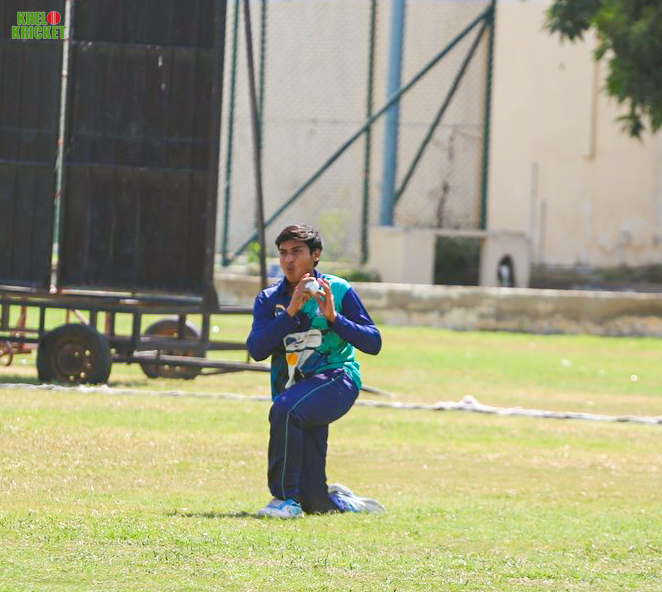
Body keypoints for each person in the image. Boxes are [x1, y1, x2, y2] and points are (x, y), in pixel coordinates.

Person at [247, 224, 386, 518]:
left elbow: (373, 342)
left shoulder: (338, 289)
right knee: (314, 501)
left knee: (286, 410)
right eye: (283, 253)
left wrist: (334, 318)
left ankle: (284, 500)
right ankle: (341, 501)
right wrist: (291, 312)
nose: (289, 260)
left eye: (297, 252)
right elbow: (257, 350)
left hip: (338, 379)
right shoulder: (269, 299)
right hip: (297, 390)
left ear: (316, 255)